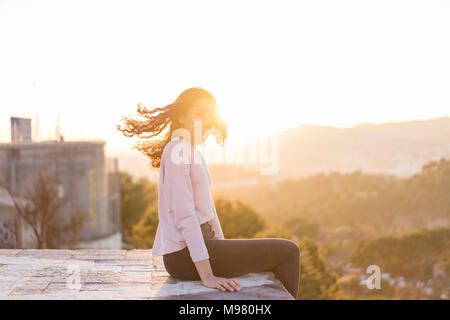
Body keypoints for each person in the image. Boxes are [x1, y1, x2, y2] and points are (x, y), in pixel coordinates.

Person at [117, 87, 300, 298]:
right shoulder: (178, 150)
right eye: (198, 113)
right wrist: (208, 276)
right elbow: (185, 214)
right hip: (184, 255)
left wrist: (222, 248)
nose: (205, 120)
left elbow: (208, 209)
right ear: (182, 116)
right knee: (288, 252)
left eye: (209, 115)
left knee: (280, 253)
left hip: (203, 246)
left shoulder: (190, 150)